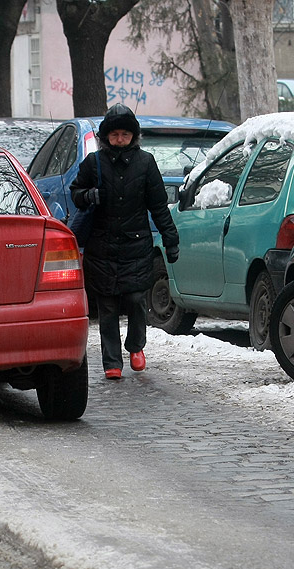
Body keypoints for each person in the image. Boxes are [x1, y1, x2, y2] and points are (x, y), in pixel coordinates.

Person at [69, 104, 179, 380]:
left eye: (125, 134)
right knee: (106, 306)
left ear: (133, 135)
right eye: (115, 134)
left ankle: (136, 346)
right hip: (102, 245)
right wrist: (89, 195)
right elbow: (76, 193)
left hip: (136, 244)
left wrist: (170, 239)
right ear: (107, 136)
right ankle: (111, 362)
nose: (120, 139)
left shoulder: (146, 163)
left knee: (136, 299)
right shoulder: (93, 163)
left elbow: (159, 206)